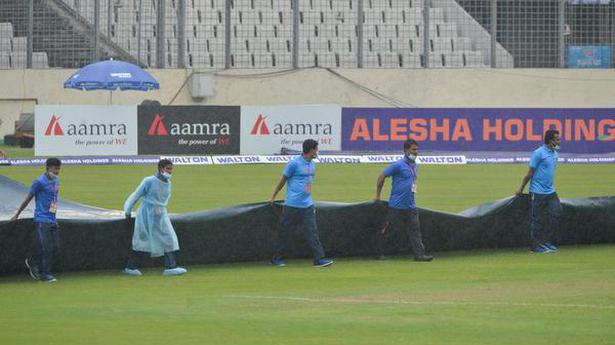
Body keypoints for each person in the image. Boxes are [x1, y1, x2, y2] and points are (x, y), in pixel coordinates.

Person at [268, 139, 334, 268]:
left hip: (307, 205)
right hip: (292, 205)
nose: (317, 151)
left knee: (312, 232)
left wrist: (309, 199)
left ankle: (319, 259)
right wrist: (273, 196)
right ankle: (275, 259)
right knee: (284, 232)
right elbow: (282, 181)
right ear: (311, 150)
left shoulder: (312, 164)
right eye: (316, 149)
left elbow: (308, 183)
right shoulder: (294, 164)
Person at [123, 159, 187, 276]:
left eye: (171, 169)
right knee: (141, 239)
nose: (170, 171)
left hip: (161, 214)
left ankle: (170, 267)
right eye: (168, 168)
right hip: (146, 214)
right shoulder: (148, 181)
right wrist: (128, 210)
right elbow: (136, 195)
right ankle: (130, 267)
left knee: (169, 238)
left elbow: (163, 200)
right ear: (161, 168)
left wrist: (161, 210)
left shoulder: (168, 182)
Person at [374, 139, 433, 262]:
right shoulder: (397, 165)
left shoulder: (416, 165)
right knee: (388, 231)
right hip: (396, 205)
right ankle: (379, 253)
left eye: (417, 149)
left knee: (415, 231)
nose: (416, 152)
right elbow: (382, 176)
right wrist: (377, 195)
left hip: (410, 205)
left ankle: (419, 255)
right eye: (413, 149)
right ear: (406, 150)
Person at [11, 157, 62, 283]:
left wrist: (55, 217)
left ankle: (33, 261)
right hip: (42, 218)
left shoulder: (56, 180)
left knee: (55, 247)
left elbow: (54, 199)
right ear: (48, 167)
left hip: (52, 218)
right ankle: (45, 275)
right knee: (47, 247)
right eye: (55, 168)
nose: (57, 171)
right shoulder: (39, 182)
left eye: (59, 169)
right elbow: (28, 198)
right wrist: (17, 213)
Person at [516, 129, 562, 254]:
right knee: (536, 219)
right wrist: (521, 188)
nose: (560, 141)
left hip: (550, 191)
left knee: (556, 214)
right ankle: (535, 247)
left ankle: (546, 242)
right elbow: (529, 173)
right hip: (537, 192)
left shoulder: (555, 153)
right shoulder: (538, 153)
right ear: (550, 140)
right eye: (557, 139)